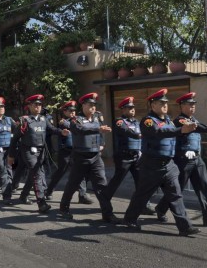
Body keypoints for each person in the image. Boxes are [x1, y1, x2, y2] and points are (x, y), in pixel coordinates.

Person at [123, 89, 200, 236]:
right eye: (161, 103)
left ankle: (185, 227)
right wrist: (181, 130)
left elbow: (171, 131)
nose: (165, 105)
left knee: (176, 195)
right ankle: (129, 219)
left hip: (168, 165)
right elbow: (160, 132)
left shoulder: (169, 120)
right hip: (151, 164)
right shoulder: (148, 121)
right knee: (142, 195)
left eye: (166, 103)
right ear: (153, 105)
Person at [154, 92, 207, 228]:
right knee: (176, 190)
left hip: (197, 159)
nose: (192, 107)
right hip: (183, 161)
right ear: (182, 106)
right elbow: (199, 128)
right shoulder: (180, 120)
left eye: (193, 105)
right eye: (189, 105)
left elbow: (199, 126)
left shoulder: (193, 119)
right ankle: (161, 208)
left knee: (204, 188)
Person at [57, 93, 121, 223]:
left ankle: (107, 213)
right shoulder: (76, 119)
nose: (92, 107)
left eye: (94, 105)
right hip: (80, 157)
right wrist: (98, 129)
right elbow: (81, 129)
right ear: (83, 105)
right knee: (73, 184)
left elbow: (101, 131)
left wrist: (102, 143)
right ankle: (64, 208)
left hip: (96, 156)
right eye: (90, 105)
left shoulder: (97, 117)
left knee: (101, 185)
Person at [8, 94, 69, 214]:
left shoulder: (43, 119)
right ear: (30, 106)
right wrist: (11, 155)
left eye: (40, 104)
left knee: (33, 175)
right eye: (35, 104)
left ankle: (23, 195)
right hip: (28, 151)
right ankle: (41, 203)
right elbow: (15, 139)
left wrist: (62, 132)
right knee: (37, 174)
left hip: (41, 151)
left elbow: (52, 129)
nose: (38, 107)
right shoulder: (24, 120)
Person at [105, 96, 155, 215]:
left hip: (137, 157)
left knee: (141, 182)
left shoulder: (137, 122)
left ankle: (144, 205)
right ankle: (104, 200)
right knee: (117, 180)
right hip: (124, 157)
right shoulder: (119, 122)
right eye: (129, 108)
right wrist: (138, 135)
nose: (132, 110)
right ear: (123, 109)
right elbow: (127, 131)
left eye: (133, 108)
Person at [45, 100, 92, 204]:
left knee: (80, 171)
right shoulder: (63, 122)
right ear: (65, 112)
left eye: (74, 111)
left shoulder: (78, 120)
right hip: (66, 151)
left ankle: (82, 195)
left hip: (77, 150)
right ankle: (49, 191)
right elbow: (70, 126)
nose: (73, 113)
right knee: (61, 172)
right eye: (70, 111)